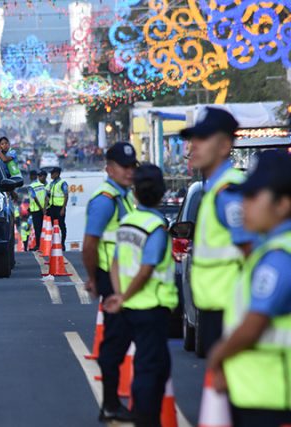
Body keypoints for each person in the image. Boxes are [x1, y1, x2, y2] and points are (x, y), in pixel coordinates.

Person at [207, 150, 291, 427]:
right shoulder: (270, 249)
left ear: (283, 204)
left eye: (253, 197)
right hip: (262, 393)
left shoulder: (279, 257)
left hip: (272, 399)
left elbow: (254, 324)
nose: (244, 205)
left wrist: (218, 355)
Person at [104, 164, 178, 427]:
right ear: (162, 193)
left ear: (134, 193)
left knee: (154, 365)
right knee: (150, 369)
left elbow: (115, 263)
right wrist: (124, 296)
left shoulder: (127, 223)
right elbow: (146, 270)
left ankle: (137, 413)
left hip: (128, 309)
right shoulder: (156, 226)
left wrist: (119, 295)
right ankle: (146, 420)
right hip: (151, 308)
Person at [180, 107, 254, 356]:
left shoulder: (228, 193)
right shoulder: (215, 190)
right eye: (193, 138)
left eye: (203, 138)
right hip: (215, 307)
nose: (194, 146)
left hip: (231, 310)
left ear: (224, 146)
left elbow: (253, 251)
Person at [82, 142, 137, 422]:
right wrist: (94, 279)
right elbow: (89, 245)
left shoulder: (123, 196)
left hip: (125, 279)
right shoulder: (105, 200)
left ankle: (113, 403)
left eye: (132, 166)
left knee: (122, 340)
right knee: (115, 342)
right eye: (123, 167)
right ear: (109, 168)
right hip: (111, 279)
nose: (129, 171)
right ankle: (111, 404)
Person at [47, 167, 68, 250]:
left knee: (61, 225)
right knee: (52, 226)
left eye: (52, 173)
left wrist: (63, 208)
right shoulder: (52, 184)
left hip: (60, 208)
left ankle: (62, 243)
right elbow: (48, 194)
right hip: (52, 207)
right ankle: (54, 243)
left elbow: (66, 195)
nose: (51, 175)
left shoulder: (63, 183)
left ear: (57, 174)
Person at [28, 170, 47, 250]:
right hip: (43, 210)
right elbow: (46, 198)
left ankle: (38, 245)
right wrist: (44, 209)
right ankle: (42, 244)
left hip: (36, 210)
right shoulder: (42, 185)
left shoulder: (31, 186)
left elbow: (34, 198)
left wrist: (40, 208)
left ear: (32, 176)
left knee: (37, 228)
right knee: (42, 227)